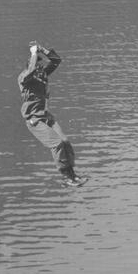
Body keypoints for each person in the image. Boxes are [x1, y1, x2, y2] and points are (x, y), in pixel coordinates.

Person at [18, 41, 85, 186]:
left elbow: (56, 60)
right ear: (32, 66)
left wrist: (42, 49)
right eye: (38, 65)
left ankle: (73, 174)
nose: (41, 68)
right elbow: (30, 71)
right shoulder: (25, 79)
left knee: (65, 142)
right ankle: (65, 177)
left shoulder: (41, 75)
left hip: (47, 116)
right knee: (57, 144)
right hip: (34, 120)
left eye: (41, 66)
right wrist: (34, 53)